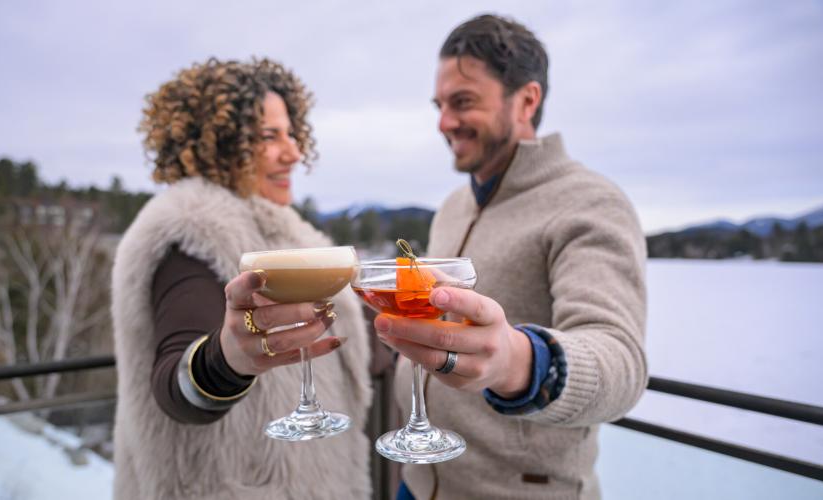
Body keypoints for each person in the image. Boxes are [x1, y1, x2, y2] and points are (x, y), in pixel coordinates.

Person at [374, 15, 647, 499]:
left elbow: (622, 363)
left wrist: (516, 362)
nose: (444, 122)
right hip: (417, 483)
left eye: (463, 102)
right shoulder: (454, 207)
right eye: (439, 105)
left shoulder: (591, 201)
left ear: (527, 100)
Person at [110, 58, 372, 499]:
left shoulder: (289, 234)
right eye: (269, 137)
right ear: (217, 144)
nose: (293, 153)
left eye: (291, 134)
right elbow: (175, 383)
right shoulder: (190, 233)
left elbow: (339, 345)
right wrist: (224, 363)